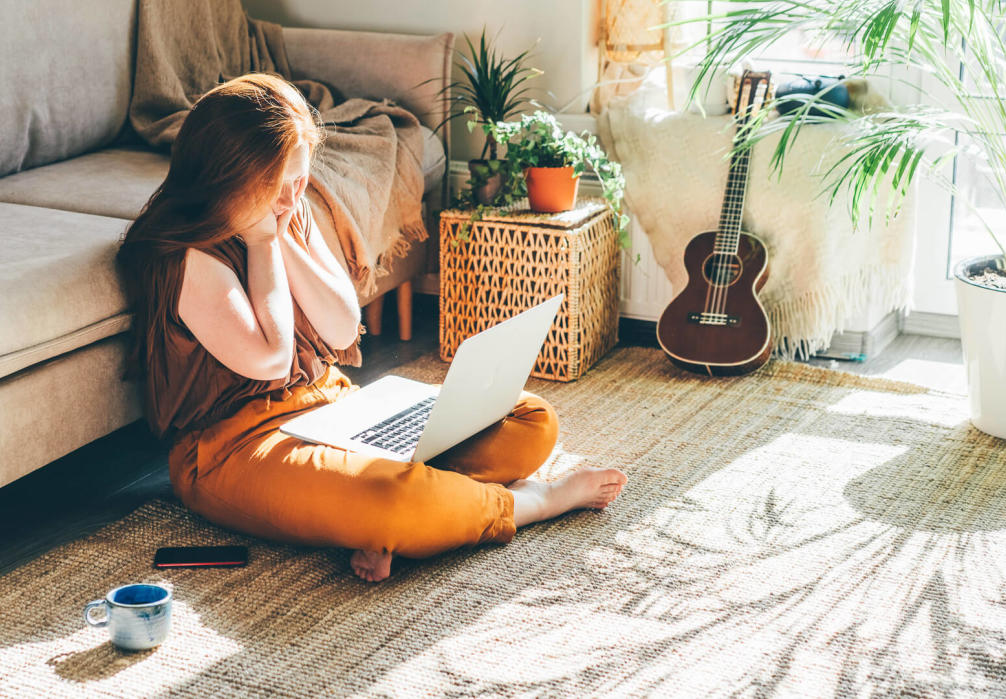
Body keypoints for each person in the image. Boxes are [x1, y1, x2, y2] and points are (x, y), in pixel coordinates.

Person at [117, 73, 628, 583]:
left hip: (328, 405)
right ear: (230, 175)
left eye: (301, 178)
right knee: (392, 498)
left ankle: (404, 517)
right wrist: (260, 242)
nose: (295, 196)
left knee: (528, 421)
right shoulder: (183, 254)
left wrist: (282, 232)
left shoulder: (284, 211)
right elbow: (272, 358)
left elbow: (341, 330)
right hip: (236, 446)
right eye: (283, 182)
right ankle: (528, 503)